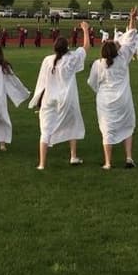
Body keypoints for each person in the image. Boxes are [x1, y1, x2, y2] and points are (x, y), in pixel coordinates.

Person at [28, 22, 90, 170]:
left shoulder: (47, 60)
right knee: (72, 124)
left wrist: (39, 99)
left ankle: (42, 164)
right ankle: (73, 156)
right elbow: (86, 47)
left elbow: (41, 82)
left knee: (45, 130)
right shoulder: (71, 59)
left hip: (49, 99)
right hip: (67, 100)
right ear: (67, 47)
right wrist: (86, 30)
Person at [88, 7, 138, 169]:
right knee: (127, 126)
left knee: (107, 129)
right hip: (123, 99)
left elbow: (92, 82)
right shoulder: (123, 58)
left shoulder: (98, 64)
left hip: (106, 101)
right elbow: (131, 36)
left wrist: (101, 91)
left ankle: (108, 162)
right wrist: (132, 18)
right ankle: (129, 158)